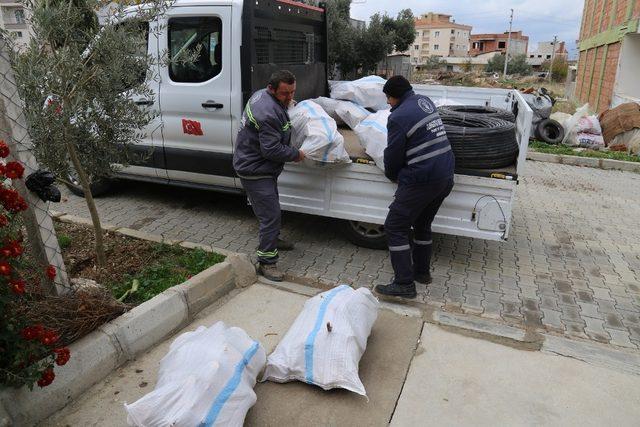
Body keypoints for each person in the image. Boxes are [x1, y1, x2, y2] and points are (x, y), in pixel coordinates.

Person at [374, 76, 455, 300]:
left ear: (394, 96)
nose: (388, 103)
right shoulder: (424, 101)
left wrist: (392, 175)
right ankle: (422, 273)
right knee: (422, 224)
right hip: (445, 175)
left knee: (395, 226)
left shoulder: (398, 117)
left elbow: (393, 154)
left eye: (388, 98)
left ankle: (403, 283)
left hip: (423, 178)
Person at [233, 70, 305, 282]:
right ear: (272, 89)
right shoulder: (267, 113)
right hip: (255, 169)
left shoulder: (261, 95)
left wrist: (286, 103)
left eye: (292, 92)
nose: (289, 97)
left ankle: (272, 239)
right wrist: (296, 154)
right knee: (271, 215)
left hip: (260, 167)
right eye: (285, 94)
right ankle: (267, 262)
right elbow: (271, 150)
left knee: (270, 210)